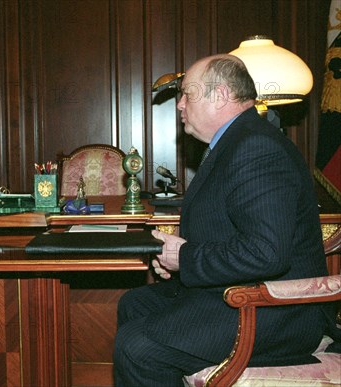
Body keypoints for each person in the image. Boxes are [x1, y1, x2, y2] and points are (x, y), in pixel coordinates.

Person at [113, 54, 340, 386]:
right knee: (135, 304)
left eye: (187, 93)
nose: (179, 104)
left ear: (219, 95)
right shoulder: (236, 141)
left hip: (276, 310)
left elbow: (265, 253)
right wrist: (176, 259)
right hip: (241, 291)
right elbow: (230, 229)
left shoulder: (257, 147)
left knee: (137, 347)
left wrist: (185, 258)